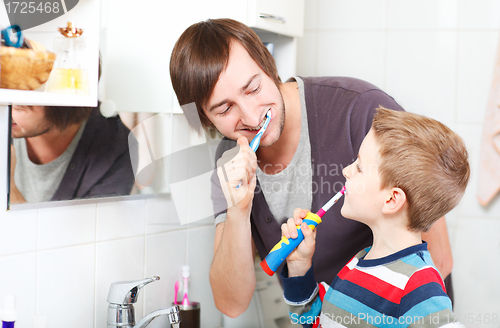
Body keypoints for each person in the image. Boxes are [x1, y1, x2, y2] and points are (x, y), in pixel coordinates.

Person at [169, 18, 454, 317]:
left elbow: (440, 257)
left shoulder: (360, 110)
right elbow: (231, 303)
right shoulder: (230, 164)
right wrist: (238, 212)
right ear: (206, 119)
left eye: (253, 89)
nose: (252, 117)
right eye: (225, 109)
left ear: (269, 67)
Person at [280, 107, 469, 327]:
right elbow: (317, 322)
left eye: (359, 167)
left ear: (391, 200)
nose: (346, 171)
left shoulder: (418, 286)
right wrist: (299, 267)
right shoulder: (358, 264)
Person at [10, 103, 135, 204]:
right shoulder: (7, 122)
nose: (8, 105)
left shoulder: (116, 146)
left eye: (19, 105)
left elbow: (92, 232)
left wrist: (10, 191)